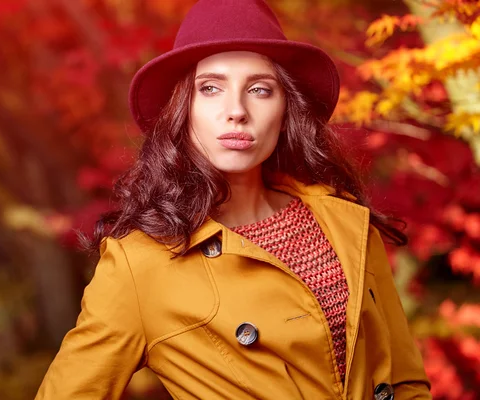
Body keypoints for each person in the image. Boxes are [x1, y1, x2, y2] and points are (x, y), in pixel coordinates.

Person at [36, 0, 432, 399]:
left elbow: (406, 383)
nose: (236, 111)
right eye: (210, 88)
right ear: (182, 110)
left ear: (285, 108)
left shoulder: (347, 220)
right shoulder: (141, 261)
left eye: (260, 90)